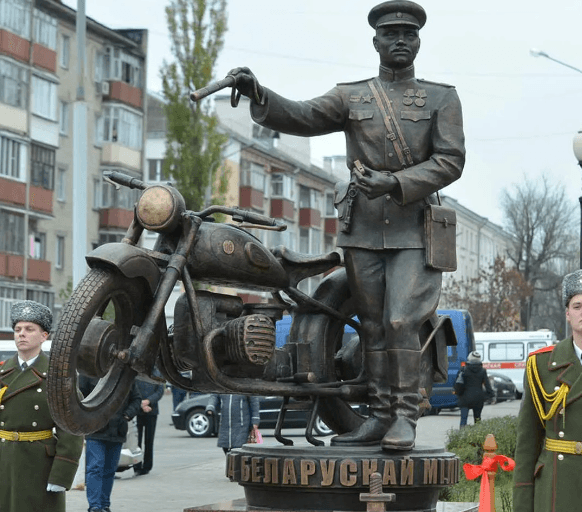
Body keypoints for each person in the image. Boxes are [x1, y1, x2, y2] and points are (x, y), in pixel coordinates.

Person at [227, 0, 465, 451]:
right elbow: (300, 115)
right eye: (390, 34)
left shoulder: (441, 97)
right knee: (372, 324)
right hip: (362, 230)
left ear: (418, 41)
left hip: (415, 232)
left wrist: (394, 182)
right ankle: (377, 416)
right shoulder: (351, 95)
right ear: (375, 41)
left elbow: (450, 161)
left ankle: (404, 417)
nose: (400, 41)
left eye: (408, 35)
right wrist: (259, 92)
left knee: (400, 319)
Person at [0, 300, 84, 512]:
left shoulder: (57, 376)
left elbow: (71, 428)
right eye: (18, 329)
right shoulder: (2, 373)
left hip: (39, 465)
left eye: (29, 329)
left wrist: (62, 474)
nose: (22, 334)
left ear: (44, 336)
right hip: (4, 460)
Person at [514, 270, 582, 512]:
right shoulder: (541, 365)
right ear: (567, 314)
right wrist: (522, 503)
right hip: (556, 487)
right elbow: (527, 441)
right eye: (577, 306)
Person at [79, 375, 141, 512]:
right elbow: (79, 397)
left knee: (109, 470)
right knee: (95, 467)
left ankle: (104, 504)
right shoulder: (89, 373)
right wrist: (89, 417)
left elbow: (136, 399)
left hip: (117, 430)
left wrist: (127, 415)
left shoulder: (125, 375)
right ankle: (95, 506)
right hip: (95, 430)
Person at [133, 374, 165, 476]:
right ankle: (137, 465)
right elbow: (133, 389)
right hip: (137, 410)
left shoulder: (157, 374)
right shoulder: (136, 374)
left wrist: (148, 401)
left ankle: (147, 466)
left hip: (152, 410)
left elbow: (160, 391)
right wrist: (141, 404)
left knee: (149, 440)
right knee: (136, 440)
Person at [454, 351, 493, 427]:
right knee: (477, 419)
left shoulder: (463, 370)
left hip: (464, 398)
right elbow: (487, 385)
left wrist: (458, 393)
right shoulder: (483, 371)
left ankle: (462, 436)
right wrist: (491, 395)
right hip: (478, 399)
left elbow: (457, 383)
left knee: (463, 419)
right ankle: (477, 436)